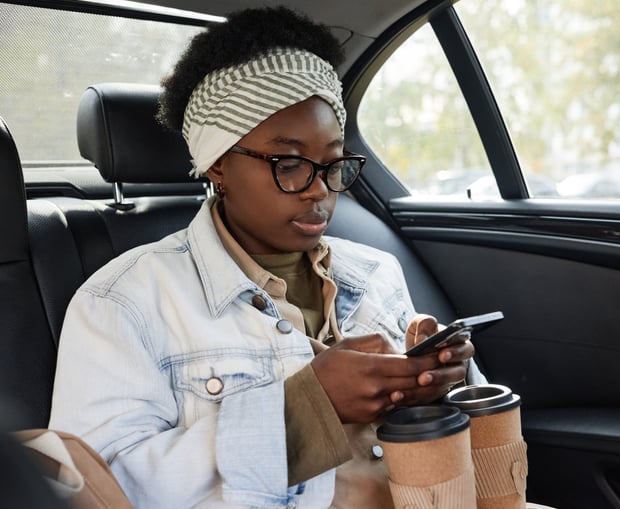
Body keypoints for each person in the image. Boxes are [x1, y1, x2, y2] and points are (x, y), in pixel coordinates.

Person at [48, 7, 485, 508]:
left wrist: (436, 387)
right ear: (217, 163)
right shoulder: (123, 303)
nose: (319, 191)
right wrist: (305, 411)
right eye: (291, 163)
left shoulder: (377, 271)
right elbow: (101, 488)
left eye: (333, 163)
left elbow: (460, 438)